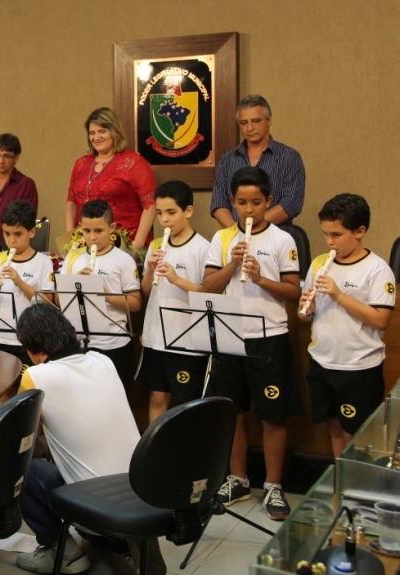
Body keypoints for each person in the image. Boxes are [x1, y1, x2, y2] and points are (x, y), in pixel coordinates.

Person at [14, 304, 165, 575]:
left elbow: (21, 443)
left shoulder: (36, 376)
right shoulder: (102, 360)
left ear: (34, 349)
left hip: (97, 504)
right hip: (145, 490)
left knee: (18, 467)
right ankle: (119, 542)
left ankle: (62, 551)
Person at [201, 166, 301, 521]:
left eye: (256, 202)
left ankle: (274, 485)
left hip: (268, 336)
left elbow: (294, 291)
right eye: (242, 202)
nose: (248, 210)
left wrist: (261, 278)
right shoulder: (223, 238)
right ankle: (238, 479)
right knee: (233, 412)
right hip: (229, 334)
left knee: (272, 414)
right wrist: (232, 265)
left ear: (268, 201)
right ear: (232, 201)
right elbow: (209, 286)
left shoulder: (282, 240)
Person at [298, 194, 395, 458]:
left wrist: (339, 295)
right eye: (326, 234)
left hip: (358, 366)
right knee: (334, 426)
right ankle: (340, 487)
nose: (329, 242)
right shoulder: (319, 263)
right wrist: (309, 309)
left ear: (360, 231)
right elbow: (304, 317)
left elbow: (380, 319)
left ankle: (355, 491)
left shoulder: (377, 269)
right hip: (322, 360)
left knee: (360, 435)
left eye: (337, 235)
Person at [140, 181, 211, 424]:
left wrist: (177, 279)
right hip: (156, 336)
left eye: (171, 212)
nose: (164, 220)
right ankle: (156, 455)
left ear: (188, 211)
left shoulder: (203, 248)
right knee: (157, 398)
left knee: (186, 404)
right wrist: (149, 271)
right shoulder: (156, 246)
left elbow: (207, 293)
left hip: (186, 340)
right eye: (159, 213)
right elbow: (147, 291)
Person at [59, 199, 141, 384]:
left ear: (112, 228)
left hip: (112, 343)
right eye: (87, 231)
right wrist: (74, 284)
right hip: (78, 341)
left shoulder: (123, 260)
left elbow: (135, 303)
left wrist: (105, 294)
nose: (92, 237)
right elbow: (58, 300)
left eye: (98, 231)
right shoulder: (73, 257)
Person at [210, 95, 306, 233]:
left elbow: (291, 204)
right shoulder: (227, 160)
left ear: (269, 121)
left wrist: (254, 228)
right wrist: (237, 232)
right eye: (243, 122)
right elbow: (219, 204)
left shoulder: (290, 158)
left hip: (276, 241)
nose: (249, 128)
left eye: (256, 121)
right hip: (236, 241)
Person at [65, 107, 156, 250]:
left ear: (115, 132)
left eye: (102, 131)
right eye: (92, 133)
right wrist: (70, 238)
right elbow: (71, 203)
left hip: (123, 246)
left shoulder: (134, 163)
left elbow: (150, 206)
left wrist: (137, 244)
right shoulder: (81, 163)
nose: (96, 137)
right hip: (85, 245)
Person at [0, 200, 54, 388]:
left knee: (25, 391)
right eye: (6, 234)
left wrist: (19, 282)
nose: (11, 240)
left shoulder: (43, 262)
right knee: (0, 390)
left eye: (18, 234)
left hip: (27, 340)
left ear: (31, 232)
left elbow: (48, 303)